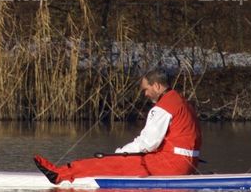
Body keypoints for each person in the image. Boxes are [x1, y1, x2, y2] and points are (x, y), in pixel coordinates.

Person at [34, 69, 202, 183]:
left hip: (170, 165)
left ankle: (59, 175)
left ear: (157, 86)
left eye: (146, 89)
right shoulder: (183, 103)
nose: (145, 94)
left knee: (108, 163)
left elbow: (147, 143)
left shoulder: (163, 107)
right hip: (187, 164)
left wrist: (120, 154)